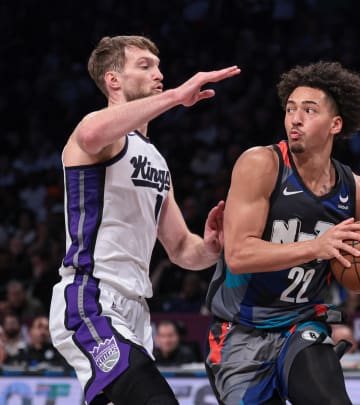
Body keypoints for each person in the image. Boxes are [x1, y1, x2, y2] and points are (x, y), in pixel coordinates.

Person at [48, 35, 238, 405]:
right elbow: (91, 133)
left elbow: (183, 248)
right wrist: (176, 97)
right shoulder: (98, 133)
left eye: (158, 65)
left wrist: (213, 245)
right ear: (113, 80)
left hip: (136, 310)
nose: (159, 73)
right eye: (145, 65)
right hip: (91, 297)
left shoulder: (156, 161)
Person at [204, 61, 360, 405]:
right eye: (290, 109)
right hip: (241, 331)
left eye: (309, 110)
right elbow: (238, 255)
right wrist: (317, 246)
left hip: (302, 325)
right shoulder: (261, 165)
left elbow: (356, 263)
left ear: (335, 124)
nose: (295, 119)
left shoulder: (358, 191)